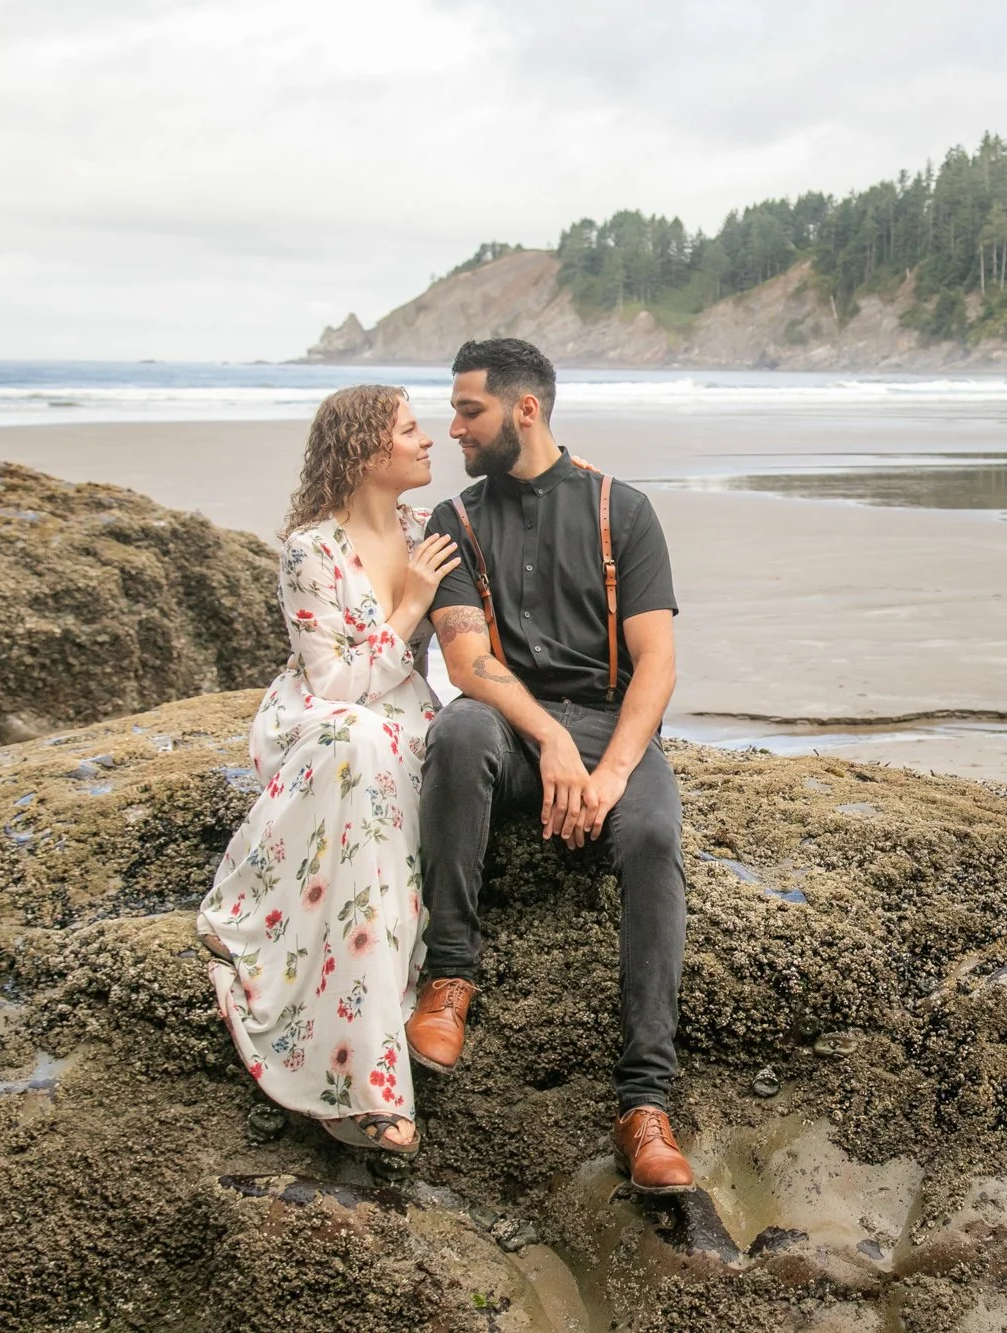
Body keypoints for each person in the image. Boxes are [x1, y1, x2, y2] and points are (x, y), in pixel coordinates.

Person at [406, 338, 694, 1191]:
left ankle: (645, 1107)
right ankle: (449, 977)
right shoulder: (454, 521)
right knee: (459, 731)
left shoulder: (623, 510)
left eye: (469, 411)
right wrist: (551, 740)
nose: (454, 429)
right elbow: (466, 662)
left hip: (612, 727)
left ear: (524, 409)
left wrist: (610, 772)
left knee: (652, 839)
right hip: (510, 726)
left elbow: (657, 663)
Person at [195, 385, 461, 1155]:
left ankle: (362, 1071)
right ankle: (373, 1084)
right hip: (324, 721)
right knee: (360, 740)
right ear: (367, 449)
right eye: (410, 429)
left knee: (376, 757)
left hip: (403, 723)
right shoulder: (310, 551)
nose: (428, 440)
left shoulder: (427, 529)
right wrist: (409, 605)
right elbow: (336, 683)